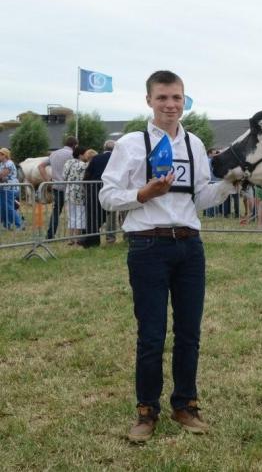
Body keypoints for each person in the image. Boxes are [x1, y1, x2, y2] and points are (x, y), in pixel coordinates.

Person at [99, 70, 235, 443]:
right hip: (147, 246)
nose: (170, 105)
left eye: (177, 98)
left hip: (190, 246)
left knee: (189, 333)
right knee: (152, 334)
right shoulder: (130, 144)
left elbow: (201, 196)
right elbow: (107, 196)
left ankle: (185, 406)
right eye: (162, 98)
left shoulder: (194, 144)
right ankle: (146, 412)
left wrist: (228, 185)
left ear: (184, 101)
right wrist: (143, 194)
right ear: (149, 101)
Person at [39, 137, 76, 239]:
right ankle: (73, 236)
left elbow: (41, 166)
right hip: (71, 187)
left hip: (56, 186)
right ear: (74, 145)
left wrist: (48, 180)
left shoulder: (54, 153)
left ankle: (50, 234)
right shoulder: (72, 154)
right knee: (74, 212)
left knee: (56, 212)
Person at [82, 140, 116, 247]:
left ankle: (92, 240)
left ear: (104, 148)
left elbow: (87, 174)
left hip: (94, 190)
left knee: (93, 216)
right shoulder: (117, 159)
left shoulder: (96, 158)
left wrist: (86, 185)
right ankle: (100, 237)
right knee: (105, 215)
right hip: (111, 190)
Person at [62, 146, 91, 244]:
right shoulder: (84, 165)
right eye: (85, 154)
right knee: (80, 215)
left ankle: (70, 238)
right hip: (80, 192)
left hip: (69, 191)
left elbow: (63, 176)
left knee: (71, 215)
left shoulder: (68, 162)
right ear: (80, 155)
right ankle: (78, 238)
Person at [0, 147, 23, 230]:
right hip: (3, 188)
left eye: (0, 154)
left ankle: (19, 224)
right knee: (3, 207)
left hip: (10, 188)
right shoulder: (2, 164)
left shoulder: (9, 163)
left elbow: (2, 175)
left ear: (5, 155)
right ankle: (7, 225)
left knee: (9, 207)